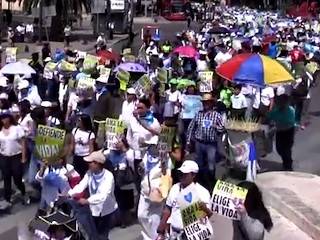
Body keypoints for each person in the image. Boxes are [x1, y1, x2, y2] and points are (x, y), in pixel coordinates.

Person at [68, 150, 118, 240]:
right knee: (93, 235)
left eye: (90, 162)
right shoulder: (89, 173)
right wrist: (69, 194)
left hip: (106, 211)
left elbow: (103, 195)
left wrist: (87, 201)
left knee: (102, 236)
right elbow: (81, 186)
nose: (88, 164)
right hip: (93, 210)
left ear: (98, 163)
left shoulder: (108, 176)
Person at [156, 160, 213, 239]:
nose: (181, 176)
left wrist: (204, 209)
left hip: (193, 236)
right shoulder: (175, 188)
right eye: (180, 173)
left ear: (193, 175)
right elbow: (168, 208)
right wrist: (162, 226)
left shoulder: (202, 192)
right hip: (175, 234)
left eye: (185, 174)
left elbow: (209, 214)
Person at [186, 93, 224, 190]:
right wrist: (188, 141)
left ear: (211, 103)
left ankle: (211, 185)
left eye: (207, 102)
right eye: (204, 102)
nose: (206, 104)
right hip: (199, 143)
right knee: (199, 164)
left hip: (211, 144)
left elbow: (222, 129)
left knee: (211, 165)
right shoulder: (199, 114)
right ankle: (201, 184)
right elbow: (191, 127)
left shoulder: (217, 115)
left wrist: (216, 127)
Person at [126, 98, 161, 191]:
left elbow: (158, 137)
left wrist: (148, 145)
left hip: (148, 156)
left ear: (148, 108)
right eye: (137, 108)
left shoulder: (154, 122)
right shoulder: (133, 120)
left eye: (141, 108)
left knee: (147, 179)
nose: (138, 110)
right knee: (137, 179)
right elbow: (129, 137)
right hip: (137, 155)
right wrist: (134, 148)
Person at [0, 110, 30, 206]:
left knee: (17, 178)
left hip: (16, 156)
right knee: (6, 178)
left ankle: (23, 192)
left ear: (9, 118)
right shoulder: (0, 130)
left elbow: (23, 142)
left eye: (5, 117)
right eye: (2, 118)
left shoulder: (17, 128)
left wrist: (23, 157)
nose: (3, 120)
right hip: (4, 157)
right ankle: (7, 199)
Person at [267, 89, 295, 171]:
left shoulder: (290, 110)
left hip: (288, 131)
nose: (281, 103)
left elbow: (289, 123)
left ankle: (288, 165)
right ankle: (285, 161)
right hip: (279, 132)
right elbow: (269, 116)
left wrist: (275, 128)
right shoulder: (276, 111)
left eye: (283, 102)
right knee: (279, 148)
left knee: (286, 148)